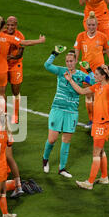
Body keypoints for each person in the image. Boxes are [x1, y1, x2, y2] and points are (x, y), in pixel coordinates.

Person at [42, 46, 95, 178]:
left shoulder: (81, 75)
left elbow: (93, 81)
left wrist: (88, 69)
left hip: (71, 112)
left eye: (71, 61)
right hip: (57, 109)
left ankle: (62, 168)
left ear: (76, 61)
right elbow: (47, 65)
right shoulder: (61, 71)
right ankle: (45, 159)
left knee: (66, 140)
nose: (69, 63)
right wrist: (55, 53)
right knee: (52, 139)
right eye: (67, 61)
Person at [64, 65, 109, 190]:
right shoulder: (97, 86)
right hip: (97, 123)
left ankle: (90, 182)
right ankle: (104, 177)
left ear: (103, 75)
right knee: (101, 151)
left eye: (97, 74)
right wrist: (70, 80)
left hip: (102, 124)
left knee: (96, 153)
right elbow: (82, 91)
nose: (94, 76)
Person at [0, 16, 45, 102]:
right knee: (1, 95)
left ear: (16, 25)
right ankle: (4, 114)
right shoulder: (6, 36)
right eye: (7, 25)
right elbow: (26, 43)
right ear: (4, 26)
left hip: (0, 67)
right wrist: (40, 41)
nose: (9, 27)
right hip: (2, 69)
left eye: (12, 25)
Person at [74, 11, 109, 128]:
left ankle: (100, 118)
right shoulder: (80, 36)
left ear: (97, 25)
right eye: (89, 25)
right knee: (88, 96)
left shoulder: (102, 37)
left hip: (100, 73)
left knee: (100, 96)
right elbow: (76, 53)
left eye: (93, 25)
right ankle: (91, 120)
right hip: (85, 71)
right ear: (86, 25)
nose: (91, 27)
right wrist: (74, 67)